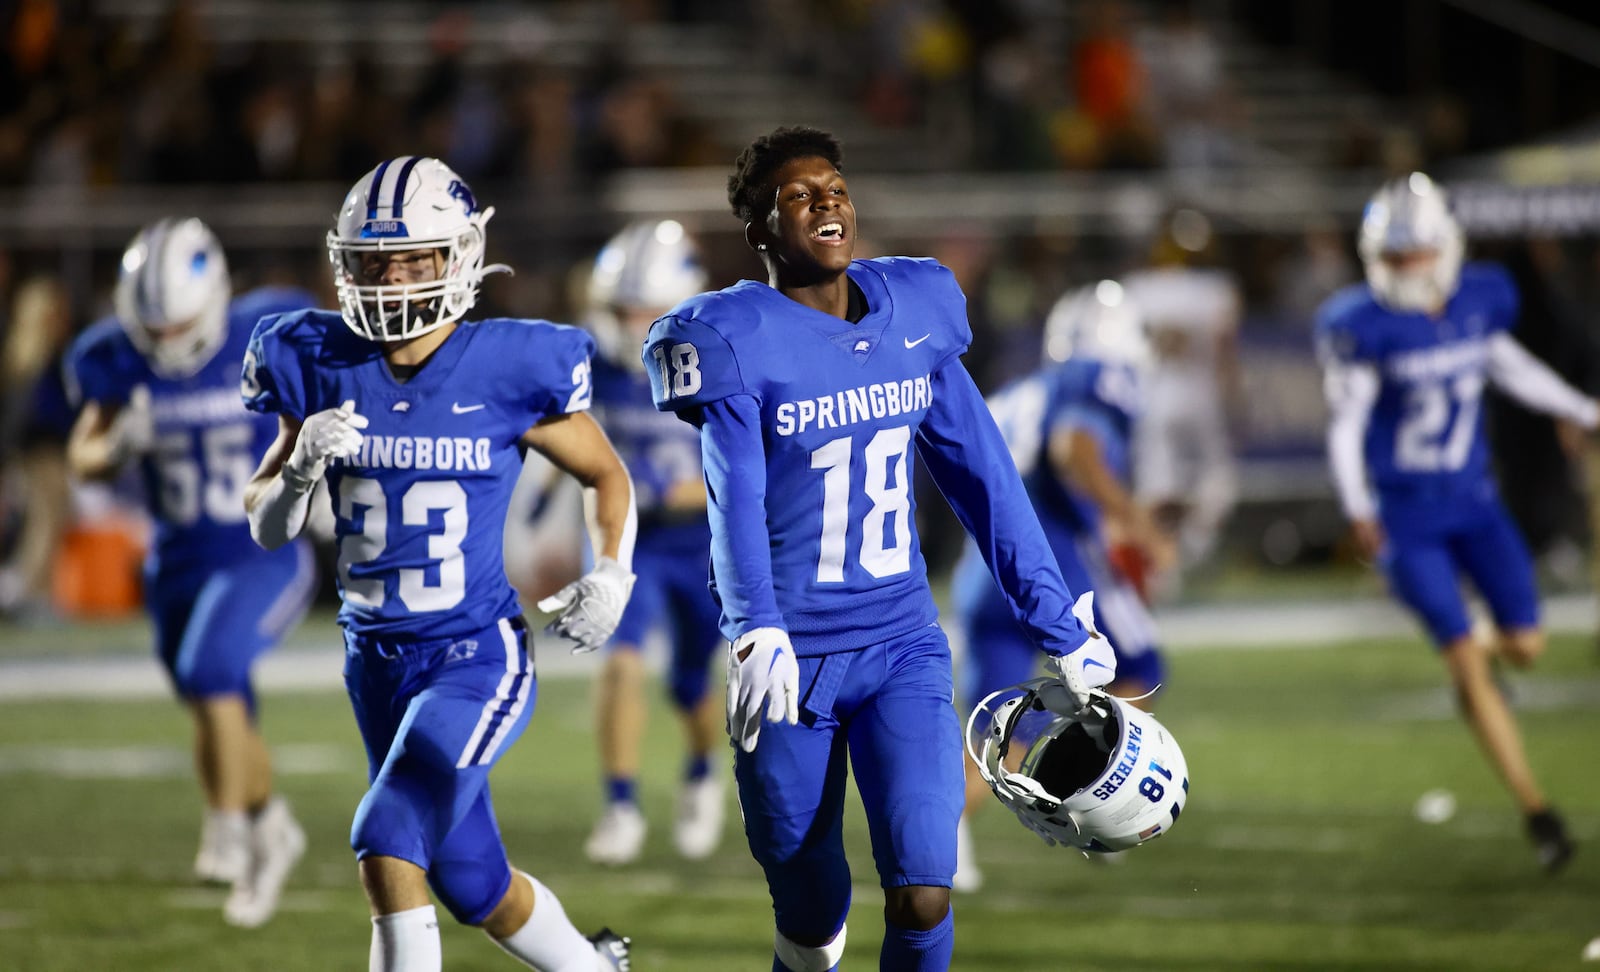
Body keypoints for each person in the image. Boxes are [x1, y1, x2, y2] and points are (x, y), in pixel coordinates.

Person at [644, 125, 1115, 972]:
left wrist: (1059, 623)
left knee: (923, 889)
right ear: (759, 229)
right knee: (811, 910)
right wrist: (754, 626)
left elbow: (984, 477)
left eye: (835, 187)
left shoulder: (915, 310)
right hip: (790, 653)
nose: (826, 201)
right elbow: (734, 495)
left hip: (901, 644)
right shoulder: (731, 336)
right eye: (799, 194)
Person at [241, 156, 634, 970]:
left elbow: (605, 472)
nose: (390, 280)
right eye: (374, 262)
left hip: (473, 653)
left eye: (412, 259)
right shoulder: (312, 356)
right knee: (472, 880)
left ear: (457, 256)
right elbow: (267, 527)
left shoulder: (508, 365)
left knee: (386, 839)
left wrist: (613, 573)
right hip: (374, 661)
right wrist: (299, 470)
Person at [1315, 172, 1593, 874]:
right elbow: (1345, 426)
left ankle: (1479, 659)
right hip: (1408, 517)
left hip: (1475, 503)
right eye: (1395, 257)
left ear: (1445, 248)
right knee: (1466, 658)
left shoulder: (1478, 299)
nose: (1406, 268)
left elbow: (1507, 364)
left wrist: (1581, 408)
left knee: (1525, 646)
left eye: (1415, 254)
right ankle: (1539, 812)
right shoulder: (1360, 323)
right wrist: (1358, 507)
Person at [63, 218, 319, 927]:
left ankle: (227, 829)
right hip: (175, 560)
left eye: (181, 325)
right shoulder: (111, 357)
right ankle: (272, 828)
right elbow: (81, 455)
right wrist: (116, 443)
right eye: (157, 327)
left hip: (260, 549)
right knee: (217, 696)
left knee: (211, 670)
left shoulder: (265, 331)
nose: (170, 340)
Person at [948, 278, 1175, 892]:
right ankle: (1105, 802)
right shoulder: (1095, 379)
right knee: (1143, 667)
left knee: (997, 733)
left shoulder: (1018, 391)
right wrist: (1132, 521)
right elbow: (1074, 448)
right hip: (1058, 576)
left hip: (983, 575)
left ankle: (942, 836)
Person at [578, 219, 727, 866]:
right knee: (620, 661)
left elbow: (750, 470)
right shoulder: (592, 365)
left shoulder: (722, 362)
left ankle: (701, 772)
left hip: (701, 542)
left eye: (647, 307)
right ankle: (620, 803)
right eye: (624, 307)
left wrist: (675, 491)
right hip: (627, 538)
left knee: (692, 684)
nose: (634, 320)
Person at [1120, 208, 1242, 581]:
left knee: (1158, 491)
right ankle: (1187, 551)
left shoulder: (1136, 289)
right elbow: (1225, 355)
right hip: (1197, 396)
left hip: (1153, 398)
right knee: (1218, 484)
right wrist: (1234, 401)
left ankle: (1163, 564)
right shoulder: (1216, 290)